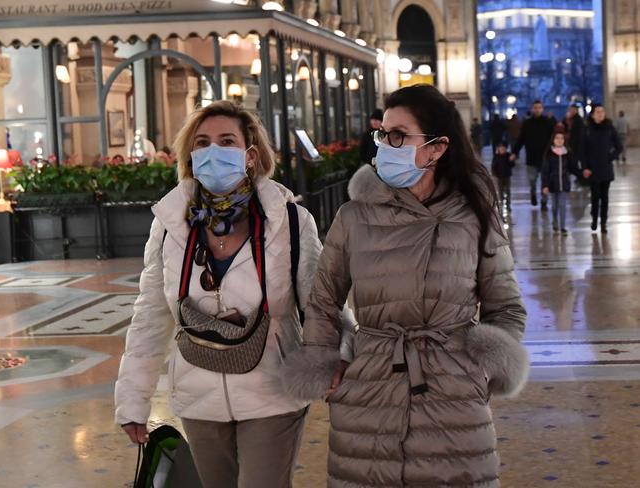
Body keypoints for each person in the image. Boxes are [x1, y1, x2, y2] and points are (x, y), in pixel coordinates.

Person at [282, 84, 528, 488]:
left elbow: (506, 306)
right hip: (370, 387)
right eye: (383, 134)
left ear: (436, 148)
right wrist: (327, 361)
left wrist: (480, 368)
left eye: (399, 136)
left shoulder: (473, 215)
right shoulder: (354, 216)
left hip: (453, 393)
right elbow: (324, 298)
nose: (385, 144)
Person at [115, 101, 354, 488]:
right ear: (191, 157)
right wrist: (133, 400)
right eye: (202, 142)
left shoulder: (289, 221)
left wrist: (341, 358)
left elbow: (322, 301)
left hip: (272, 390)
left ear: (250, 155)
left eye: (226, 141)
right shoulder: (169, 226)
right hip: (197, 392)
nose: (213, 151)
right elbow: (150, 316)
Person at [582, 104, 623, 233]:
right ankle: (594, 218)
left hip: (605, 167)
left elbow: (619, 146)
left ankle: (603, 222)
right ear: (593, 114)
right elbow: (583, 151)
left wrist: (610, 157)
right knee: (595, 196)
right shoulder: (587, 129)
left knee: (604, 197)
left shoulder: (609, 128)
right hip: (592, 168)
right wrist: (585, 167)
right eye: (598, 112)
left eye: (602, 111)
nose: (600, 114)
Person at [511, 100, 555, 210]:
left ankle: (544, 202)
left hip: (545, 157)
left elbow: (553, 138)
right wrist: (514, 152)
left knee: (545, 181)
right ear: (532, 109)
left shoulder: (547, 122)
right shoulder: (527, 123)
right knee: (532, 181)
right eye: (535, 107)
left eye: (539, 107)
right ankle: (533, 194)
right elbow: (521, 139)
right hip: (531, 157)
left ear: (542, 109)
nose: (537, 109)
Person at [542, 130, 578, 235]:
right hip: (552, 184)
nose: (559, 140)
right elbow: (545, 171)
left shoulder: (568, 153)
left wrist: (581, 174)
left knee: (563, 205)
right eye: (557, 138)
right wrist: (545, 185)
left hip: (564, 183)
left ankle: (563, 227)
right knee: (554, 205)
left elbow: (572, 168)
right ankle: (554, 221)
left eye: (561, 138)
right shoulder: (549, 153)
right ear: (553, 140)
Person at [492, 141, 515, 210]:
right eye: (501, 149)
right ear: (498, 149)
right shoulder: (496, 157)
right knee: (500, 192)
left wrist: (511, 160)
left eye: (503, 149)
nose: (502, 150)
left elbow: (512, 165)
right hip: (499, 177)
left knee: (507, 191)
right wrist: (494, 174)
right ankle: (501, 204)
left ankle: (508, 205)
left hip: (507, 176)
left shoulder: (508, 155)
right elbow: (493, 167)